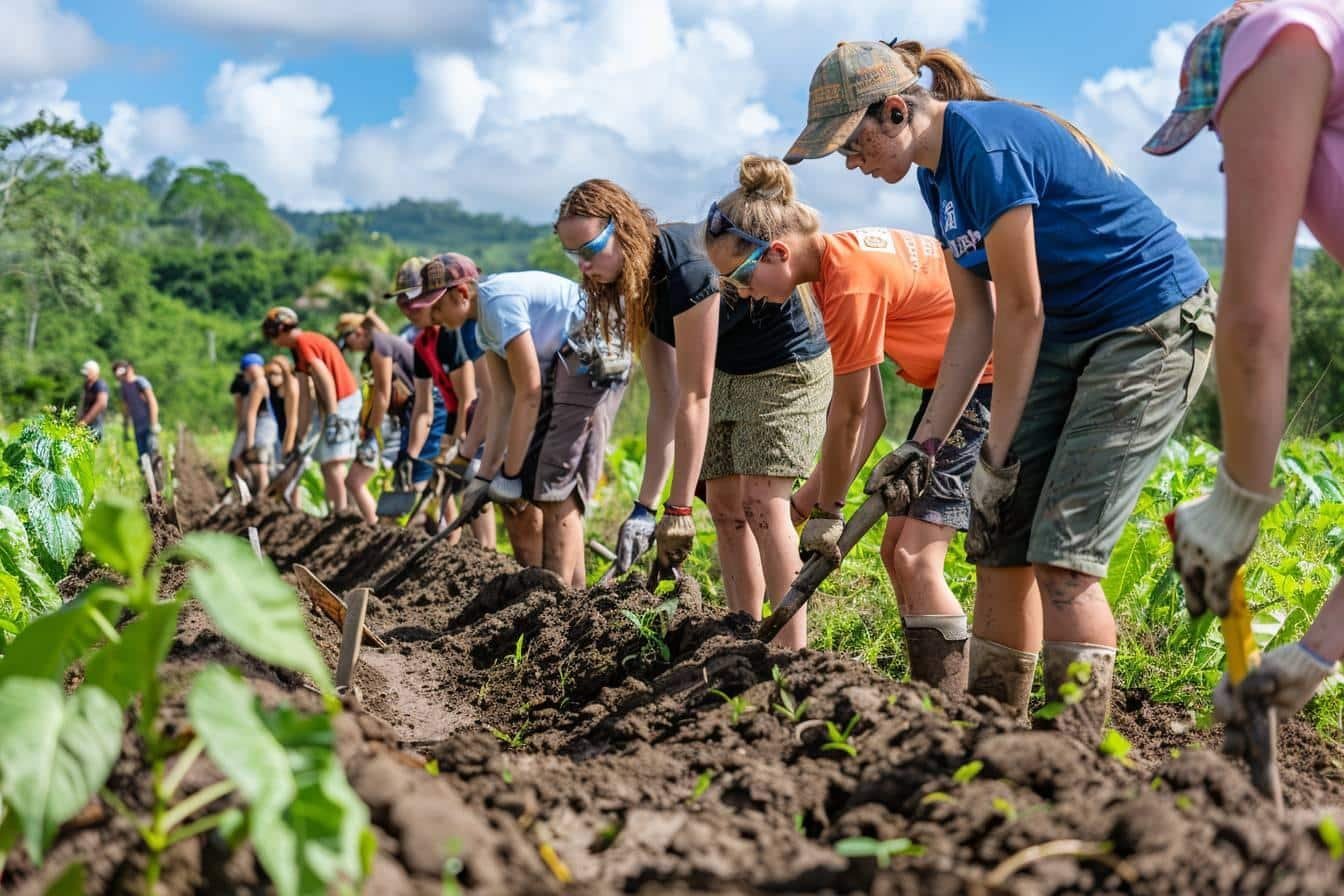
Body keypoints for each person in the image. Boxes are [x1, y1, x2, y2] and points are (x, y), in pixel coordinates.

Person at [784, 39, 1214, 740]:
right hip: (1066, 334)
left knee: (1062, 553)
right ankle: (994, 735)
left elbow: (1022, 309)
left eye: (851, 144)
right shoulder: (935, 177)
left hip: (1147, 326)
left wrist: (996, 457)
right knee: (998, 540)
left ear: (895, 111)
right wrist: (927, 443)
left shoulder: (984, 151)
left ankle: (1076, 756)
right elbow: (974, 321)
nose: (850, 163)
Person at [703, 154, 995, 692]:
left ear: (778, 251)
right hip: (953, 385)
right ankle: (932, 696)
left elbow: (851, 412)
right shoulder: (840, 264)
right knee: (895, 552)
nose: (741, 294)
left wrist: (829, 510)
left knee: (913, 556)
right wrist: (816, 500)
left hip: (986, 382)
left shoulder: (849, 284)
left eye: (740, 277)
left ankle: (960, 707)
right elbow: (875, 414)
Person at [1152, 1, 1343, 728]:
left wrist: (1237, 502)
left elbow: (1257, 316)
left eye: (1218, 125)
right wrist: (1318, 652)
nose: (1229, 156)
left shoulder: (1276, 35)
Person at [557, 179, 830, 648]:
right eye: (572, 255)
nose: (583, 265)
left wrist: (678, 509)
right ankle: (744, 632)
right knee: (725, 509)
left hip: (783, 365)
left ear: (621, 230)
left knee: (764, 504)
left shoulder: (687, 268)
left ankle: (793, 653)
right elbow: (666, 397)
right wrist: (645, 510)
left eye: (590, 249)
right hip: (726, 369)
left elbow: (693, 398)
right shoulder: (638, 283)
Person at [425, 252, 627, 587]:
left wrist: (510, 473)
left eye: (436, 306)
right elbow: (502, 400)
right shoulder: (482, 329)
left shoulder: (498, 303)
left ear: (461, 293)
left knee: (553, 483)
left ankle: (561, 598)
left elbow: (529, 390)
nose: (433, 317)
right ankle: (572, 595)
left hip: (593, 355)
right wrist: (486, 476)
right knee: (538, 482)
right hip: (563, 370)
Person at [389, 256, 495, 546]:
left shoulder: (451, 335)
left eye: (412, 302)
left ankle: (486, 549)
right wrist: (411, 454)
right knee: (443, 479)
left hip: (474, 414)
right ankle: (450, 547)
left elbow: (469, 396)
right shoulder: (421, 345)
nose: (408, 311)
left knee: (472, 478)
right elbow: (422, 407)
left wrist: (460, 440)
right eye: (401, 304)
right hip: (453, 415)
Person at [262, 306, 362, 513]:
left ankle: (343, 514)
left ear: (280, 329)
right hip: (332, 404)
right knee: (326, 464)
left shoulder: (304, 342)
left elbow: (323, 375)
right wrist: (302, 434)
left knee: (333, 463)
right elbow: (304, 398)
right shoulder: (297, 350)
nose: (273, 342)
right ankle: (337, 512)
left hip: (342, 401)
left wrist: (333, 416)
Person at [336, 309, 418, 524]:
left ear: (359, 333)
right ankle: (385, 527)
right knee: (412, 478)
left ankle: (380, 528)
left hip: (403, 416)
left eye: (349, 342)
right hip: (406, 414)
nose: (352, 350)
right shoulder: (383, 343)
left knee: (361, 480)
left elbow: (382, 394)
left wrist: (371, 431)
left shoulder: (380, 347)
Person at [228, 353, 278, 493]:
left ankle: (261, 496)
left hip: (264, 426)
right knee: (251, 461)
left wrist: (249, 441)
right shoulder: (256, 384)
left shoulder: (259, 383)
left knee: (260, 462)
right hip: (264, 425)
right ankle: (251, 492)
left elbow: (251, 413)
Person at [110, 360, 162, 461]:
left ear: (130, 370)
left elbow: (152, 402)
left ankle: (157, 474)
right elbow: (125, 408)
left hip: (148, 422)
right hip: (137, 424)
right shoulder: (124, 387)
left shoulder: (140, 382)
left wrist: (154, 423)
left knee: (152, 452)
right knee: (143, 456)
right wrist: (125, 428)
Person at [265, 355, 300, 463]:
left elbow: (292, 422)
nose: (272, 378)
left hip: (288, 438)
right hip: (276, 436)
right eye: (270, 374)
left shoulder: (291, 388)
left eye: (276, 374)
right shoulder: (271, 388)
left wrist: (286, 449)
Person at [77, 360, 109, 439]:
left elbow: (102, 403)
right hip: (86, 425)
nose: (85, 375)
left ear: (95, 372)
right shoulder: (87, 385)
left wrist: (84, 421)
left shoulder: (100, 384)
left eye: (87, 372)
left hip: (95, 425)